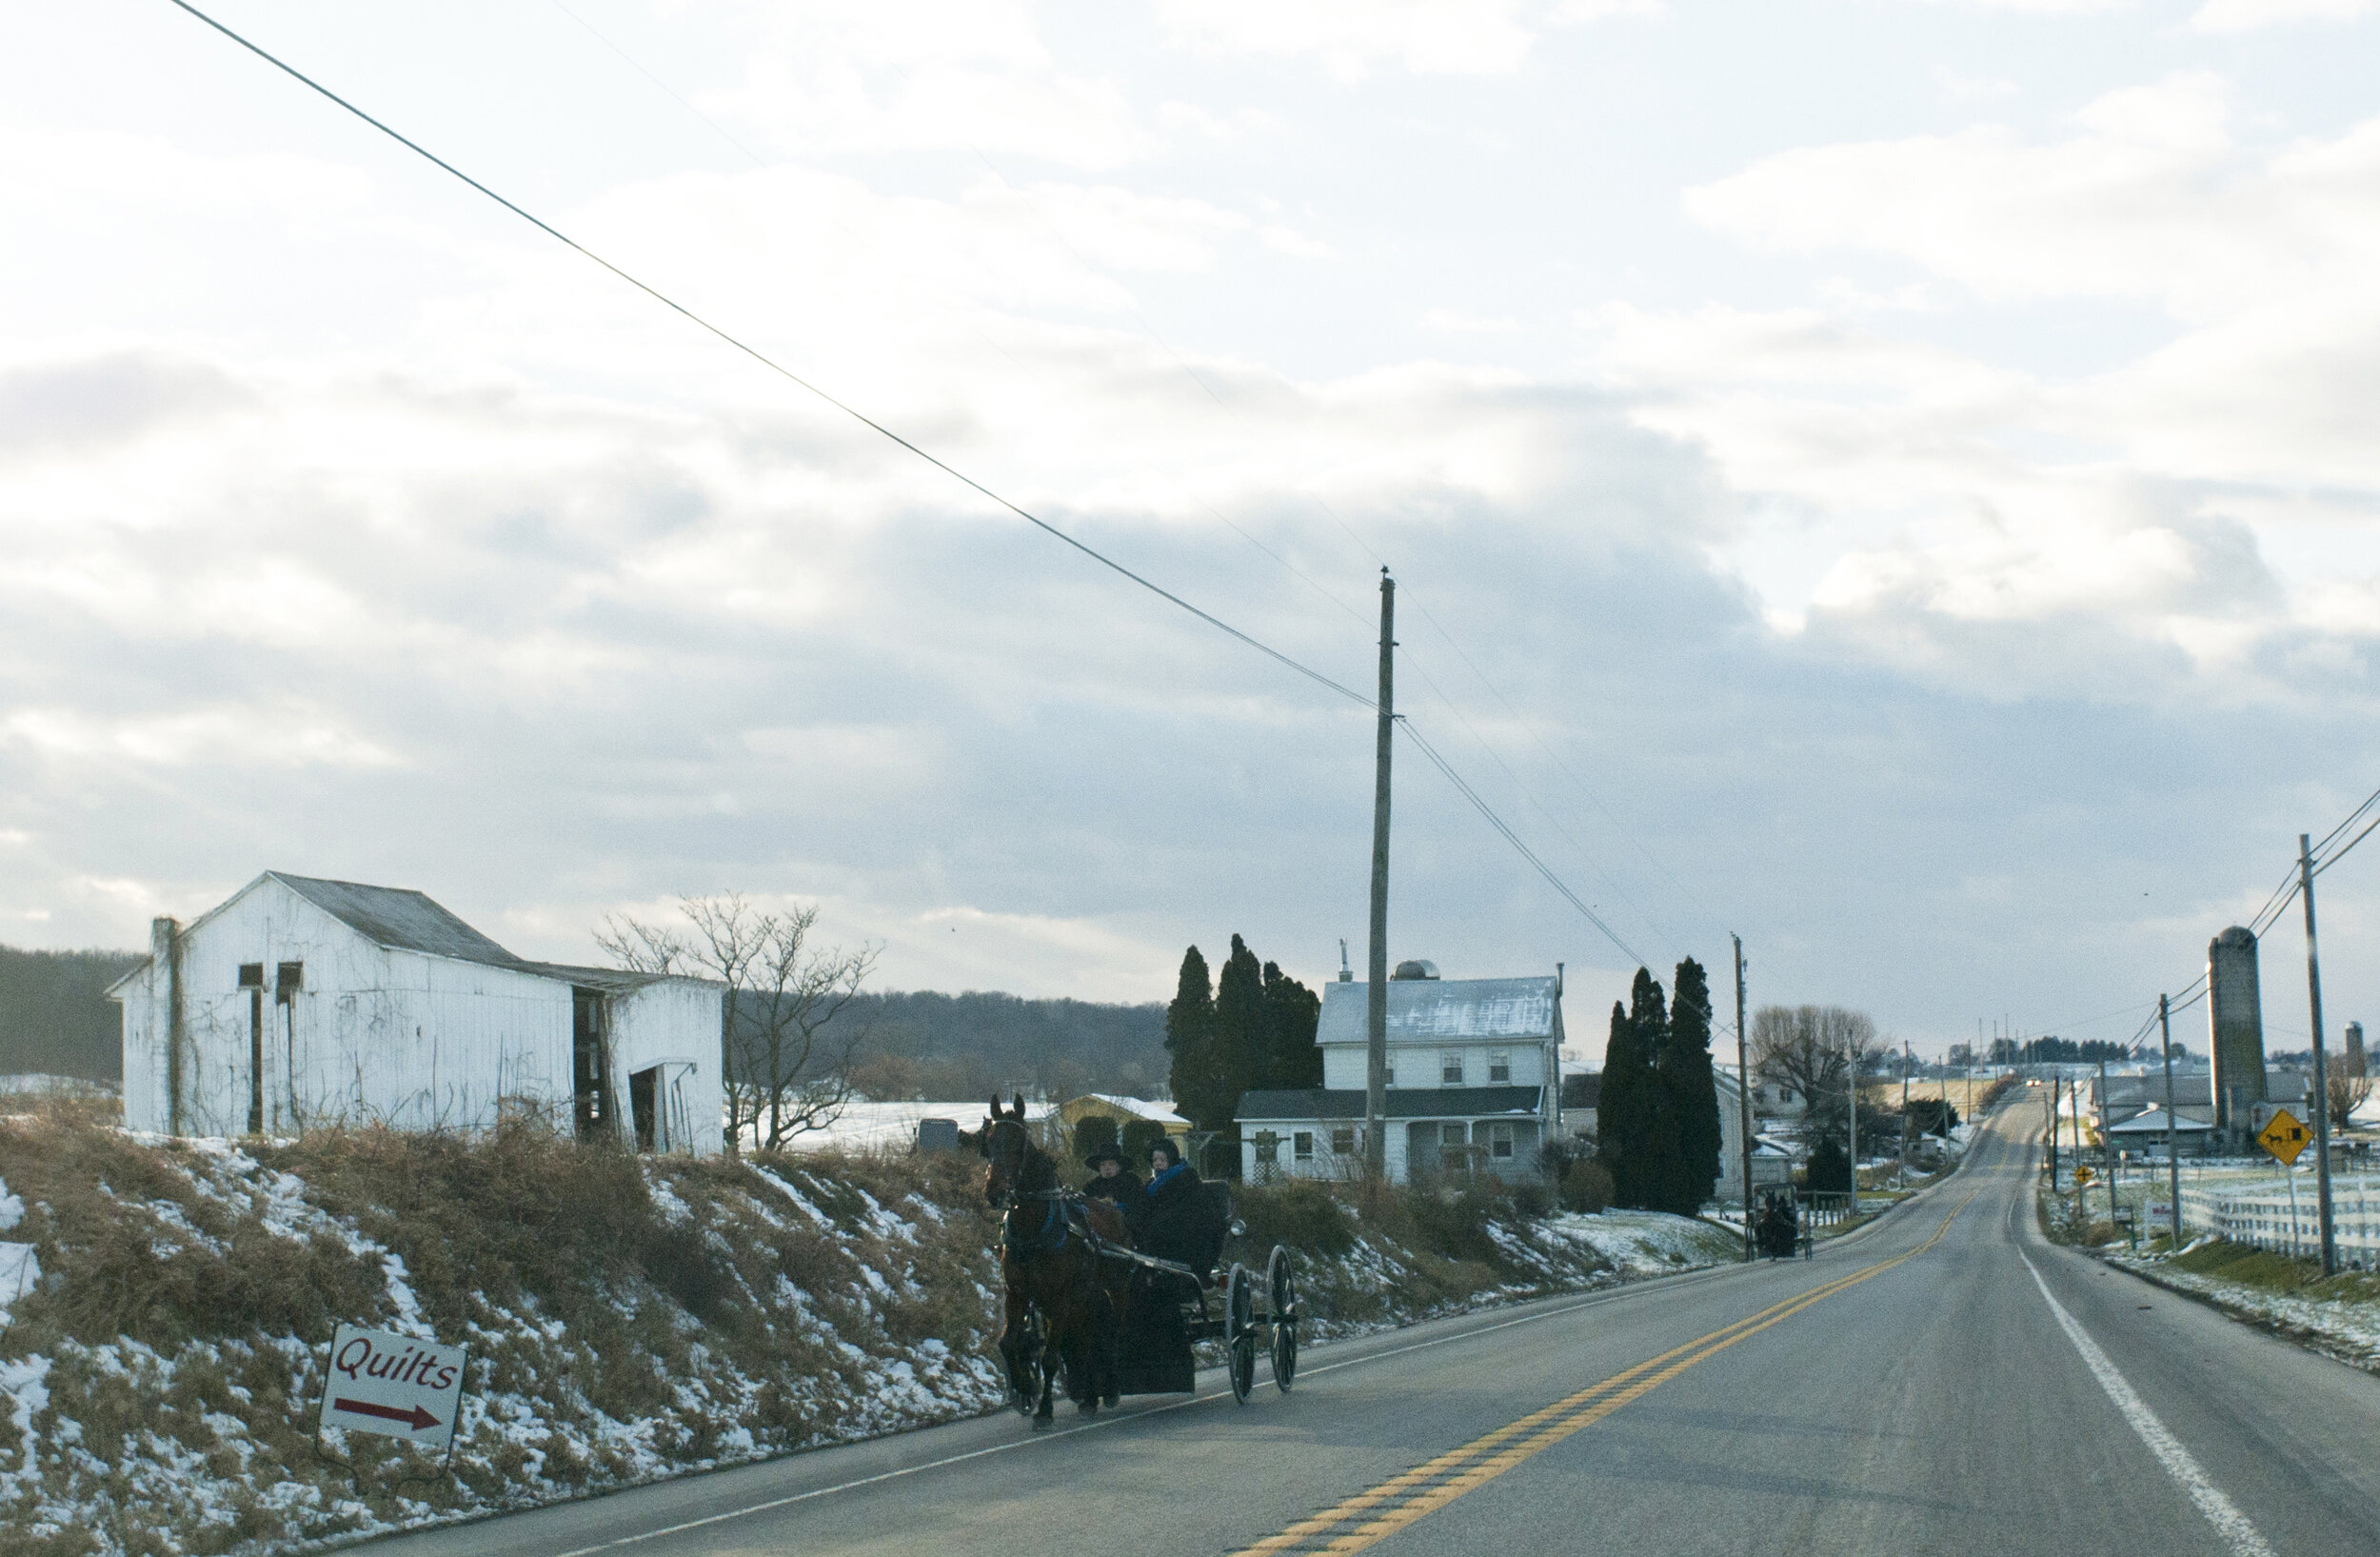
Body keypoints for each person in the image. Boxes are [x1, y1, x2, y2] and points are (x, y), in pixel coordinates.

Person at [1082, 1142, 1140, 1208]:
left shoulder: (1131, 1182)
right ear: (1099, 1168)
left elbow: (1139, 1206)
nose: (1107, 1168)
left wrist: (1118, 1206)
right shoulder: (1092, 1186)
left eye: (1111, 1164)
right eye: (1102, 1164)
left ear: (1119, 1166)